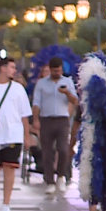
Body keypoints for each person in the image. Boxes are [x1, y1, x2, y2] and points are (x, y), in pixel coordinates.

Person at [0, 59, 33, 211]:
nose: (15, 70)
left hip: (13, 134)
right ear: (2, 68)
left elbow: (24, 115)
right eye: (12, 67)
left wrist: (27, 136)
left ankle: (6, 203)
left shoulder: (18, 89)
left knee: (9, 169)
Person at [32, 57, 78, 195]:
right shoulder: (41, 83)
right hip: (46, 119)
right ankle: (49, 181)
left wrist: (67, 93)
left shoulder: (67, 81)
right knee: (47, 152)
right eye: (54, 70)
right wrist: (35, 119)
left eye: (59, 70)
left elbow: (75, 101)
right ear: (50, 70)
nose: (57, 72)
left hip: (62, 119)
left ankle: (61, 176)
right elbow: (36, 102)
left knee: (63, 149)